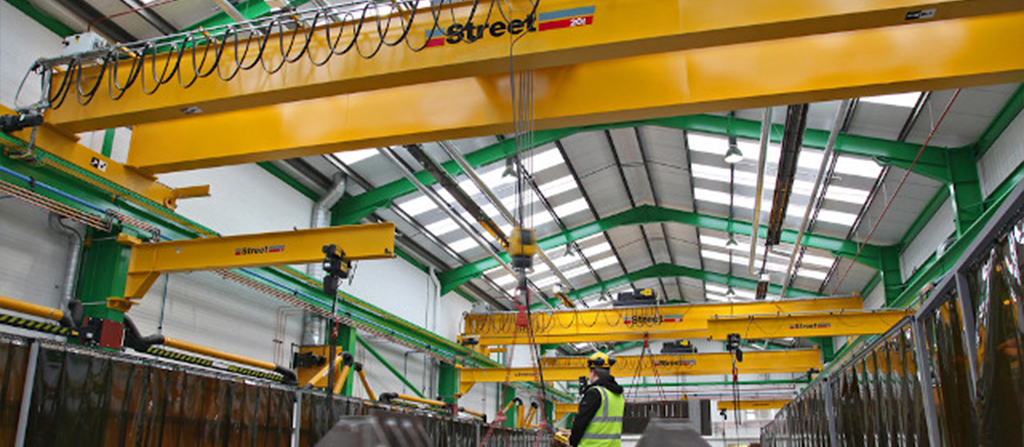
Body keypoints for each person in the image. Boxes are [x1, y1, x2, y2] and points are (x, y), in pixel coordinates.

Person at [569, 352, 624, 446]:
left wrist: (572, 442)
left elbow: (581, 421)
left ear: (593, 372)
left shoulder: (595, 393)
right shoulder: (618, 395)